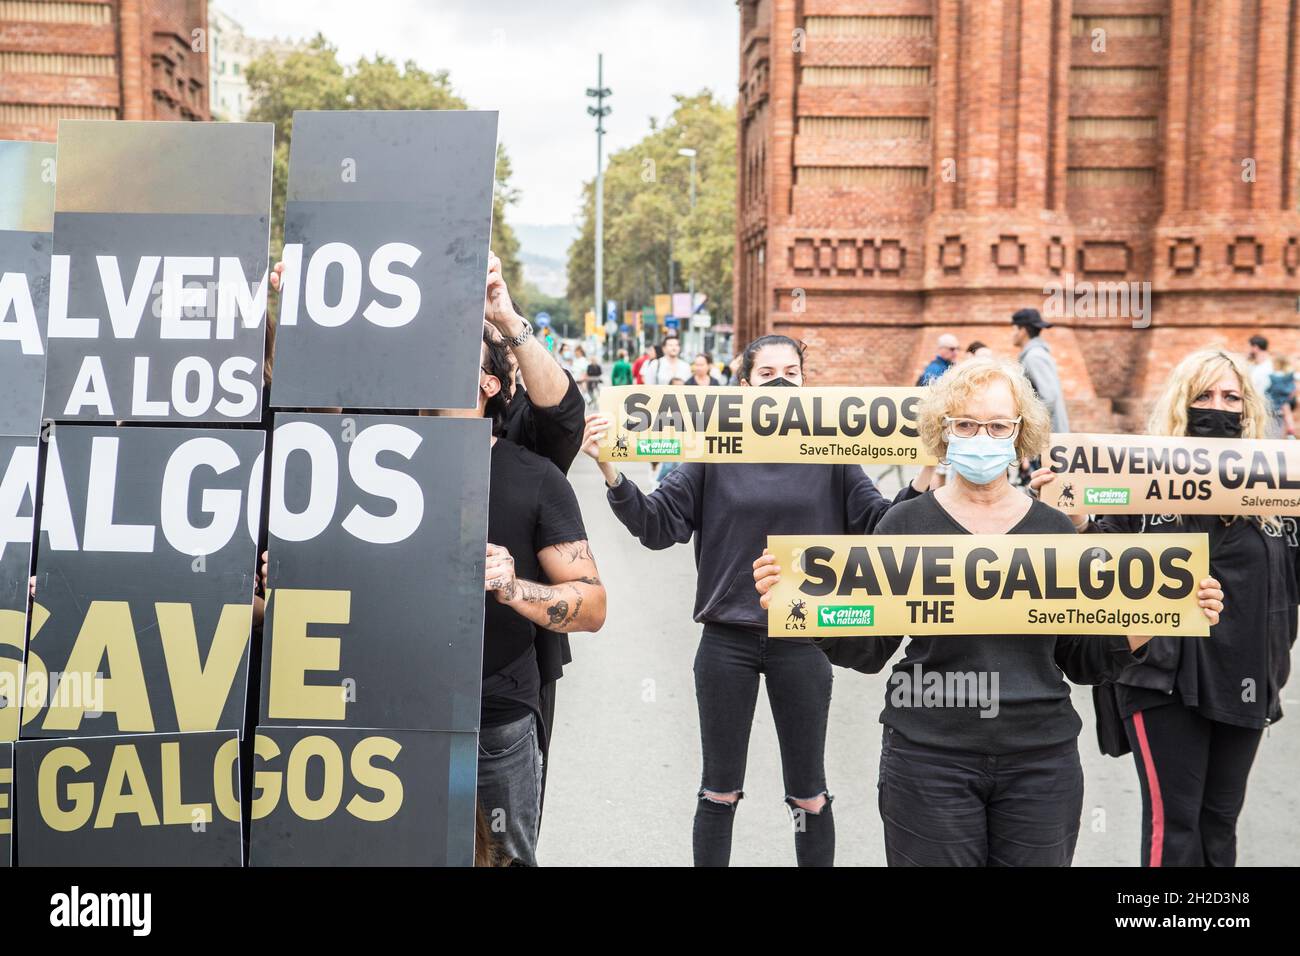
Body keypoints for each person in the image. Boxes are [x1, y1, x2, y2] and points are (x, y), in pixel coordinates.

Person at [755, 355, 1223, 867]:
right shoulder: (903, 524)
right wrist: (805, 605)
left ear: (1019, 434)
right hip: (928, 757)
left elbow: (1083, 659)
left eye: (998, 425)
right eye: (967, 423)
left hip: (1041, 761)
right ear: (944, 430)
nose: (983, 435)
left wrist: (1151, 618)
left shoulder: (1054, 529)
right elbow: (869, 650)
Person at [581, 334, 934, 867]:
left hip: (807, 639)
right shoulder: (712, 454)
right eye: (767, 373)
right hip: (727, 642)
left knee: (808, 793)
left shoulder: (833, 453)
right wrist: (609, 469)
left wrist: (928, 473)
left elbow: (881, 527)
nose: (781, 382)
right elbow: (657, 526)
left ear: (805, 381)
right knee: (718, 791)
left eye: (791, 371)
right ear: (742, 386)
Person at [1035, 347, 1295, 867]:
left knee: (1219, 825)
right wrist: (1081, 522)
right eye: (1203, 395)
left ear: (1249, 411)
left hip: (1244, 678)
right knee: (1174, 826)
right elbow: (1102, 563)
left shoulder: (1278, 495)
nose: (1216, 407)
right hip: (1161, 677)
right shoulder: (1142, 481)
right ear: (1181, 403)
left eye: (1230, 397)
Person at [428, 330, 606, 866]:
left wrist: (514, 586)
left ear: (488, 383)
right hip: (389, 708)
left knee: (504, 858)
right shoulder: (368, 468)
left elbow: (593, 606)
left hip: (496, 712)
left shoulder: (534, 476)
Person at [1011, 308, 1069, 432]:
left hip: (1047, 437)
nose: (1012, 334)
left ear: (1023, 331)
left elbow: (1049, 398)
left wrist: (1029, 427)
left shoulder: (1034, 357)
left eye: (1014, 329)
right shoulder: (1036, 354)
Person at [1267, 355, 1295, 437]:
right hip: (1282, 398)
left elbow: (1271, 388)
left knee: (1282, 416)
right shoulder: (1285, 375)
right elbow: (1291, 388)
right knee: (1286, 415)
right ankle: (1290, 431)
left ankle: (1290, 432)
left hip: (1277, 399)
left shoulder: (1274, 376)